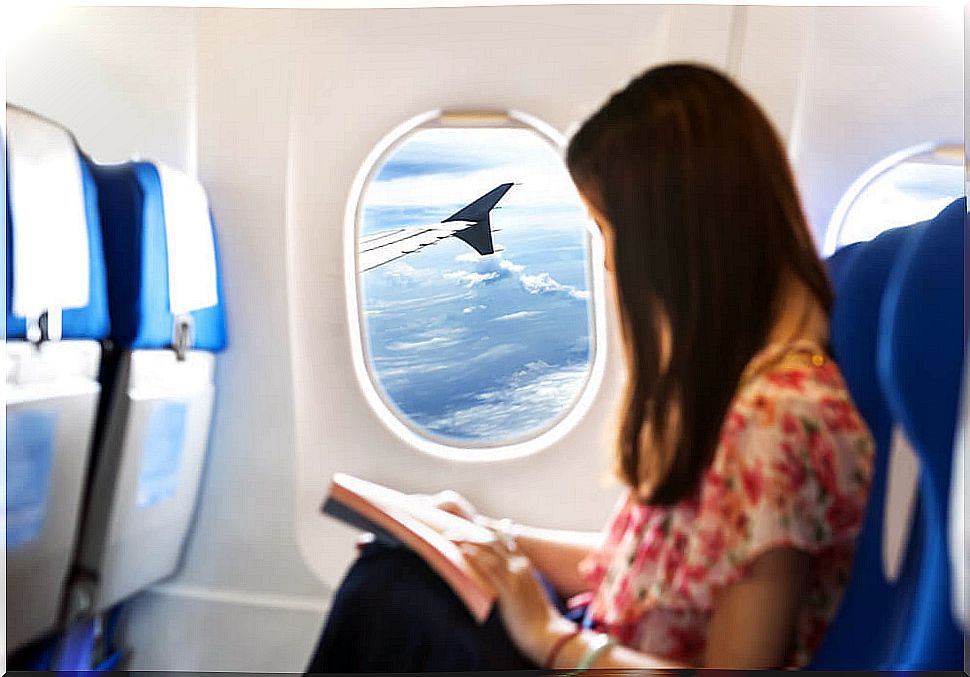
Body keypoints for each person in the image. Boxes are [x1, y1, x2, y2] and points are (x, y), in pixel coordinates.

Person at [305, 62, 874, 671]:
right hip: (603, 638)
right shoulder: (747, 391)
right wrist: (489, 538)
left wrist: (552, 637)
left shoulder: (776, 418)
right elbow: (654, 570)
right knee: (400, 570)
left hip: (591, 651)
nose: (607, 266)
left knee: (386, 597)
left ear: (671, 240)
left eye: (607, 233)